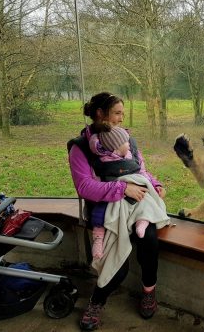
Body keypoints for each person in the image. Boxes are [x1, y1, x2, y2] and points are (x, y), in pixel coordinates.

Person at [67, 92, 166, 331]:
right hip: (107, 212)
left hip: (136, 205)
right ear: (100, 114)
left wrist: (155, 184)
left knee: (149, 243)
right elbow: (84, 186)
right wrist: (123, 189)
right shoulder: (80, 148)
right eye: (117, 113)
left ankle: (149, 292)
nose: (122, 118)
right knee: (116, 267)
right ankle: (96, 301)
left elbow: (141, 169)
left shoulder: (127, 140)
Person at [88, 125, 170, 260]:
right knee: (99, 213)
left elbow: (142, 172)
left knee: (145, 202)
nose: (129, 143)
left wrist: (155, 184)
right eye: (126, 142)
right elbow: (96, 181)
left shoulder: (131, 155)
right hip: (112, 195)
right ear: (116, 147)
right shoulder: (102, 161)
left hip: (134, 192)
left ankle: (142, 221)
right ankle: (98, 239)